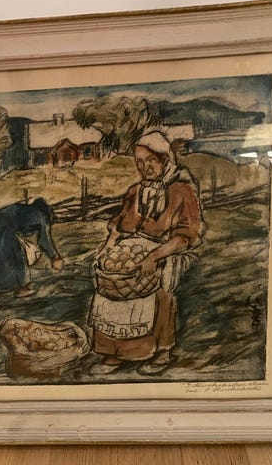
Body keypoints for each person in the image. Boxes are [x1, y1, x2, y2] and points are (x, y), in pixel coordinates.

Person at [90, 131, 205, 375]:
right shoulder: (135, 191)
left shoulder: (181, 190)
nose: (145, 168)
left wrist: (154, 256)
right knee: (110, 289)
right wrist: (109, 247)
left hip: (165, 251)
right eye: (140, 162)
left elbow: (187, 234)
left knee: (159, 289)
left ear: (164, 159)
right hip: (131, 250)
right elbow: (119, 224)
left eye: (151, 160)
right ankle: (115, 353)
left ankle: (161, 352)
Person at [0, 197, 63, 297]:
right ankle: (22, 288)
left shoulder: (22, 209)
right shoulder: (41, 216)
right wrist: (55, 257)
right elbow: (44, 240)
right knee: (15, 255)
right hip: (0, 230)